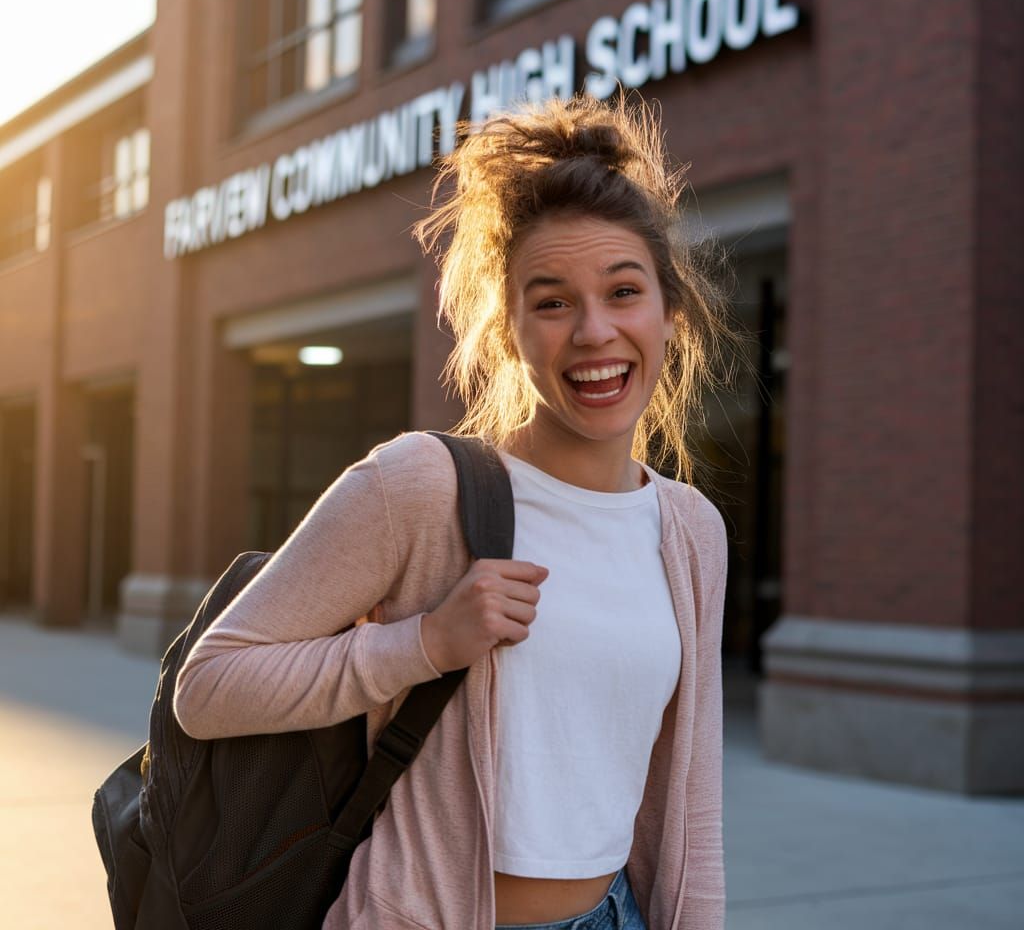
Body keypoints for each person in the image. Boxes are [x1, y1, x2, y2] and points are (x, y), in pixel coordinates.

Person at [173, 93, 739, 930]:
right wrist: (424, 645)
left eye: (624, 292)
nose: (593, 332)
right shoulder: (421, 487)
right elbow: (209, 688)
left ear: (669, 313)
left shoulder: (691, 531)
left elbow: (690, 795)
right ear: (508, 330)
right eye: (551, 302)